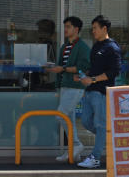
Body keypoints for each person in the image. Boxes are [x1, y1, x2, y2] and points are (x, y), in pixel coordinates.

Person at [74, 15, 122, 169]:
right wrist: (84, 76)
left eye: (95, 28)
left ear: (104, 29)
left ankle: (95, 157)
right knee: (87, 122)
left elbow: (114, 71)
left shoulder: (112, 48)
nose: (93, 31)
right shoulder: (96, 46)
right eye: (92, 28)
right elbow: (94, 69)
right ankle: (111, 140)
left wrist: (93, 80)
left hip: (102, 92)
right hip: (90, 90)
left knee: (100, 125)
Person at [44, 16, 90, 162]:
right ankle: (73, 151)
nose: (65, 29)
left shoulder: (82, 47)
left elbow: (84, 68)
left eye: (68, 26)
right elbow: (62, 67)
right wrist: (54, 68)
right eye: (65, 26)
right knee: (67, 117)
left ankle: (76, 144)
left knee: (61, 115)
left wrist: (62, 69)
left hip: (75, 86)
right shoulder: (64, 46)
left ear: (76, 29)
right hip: (64, 85)